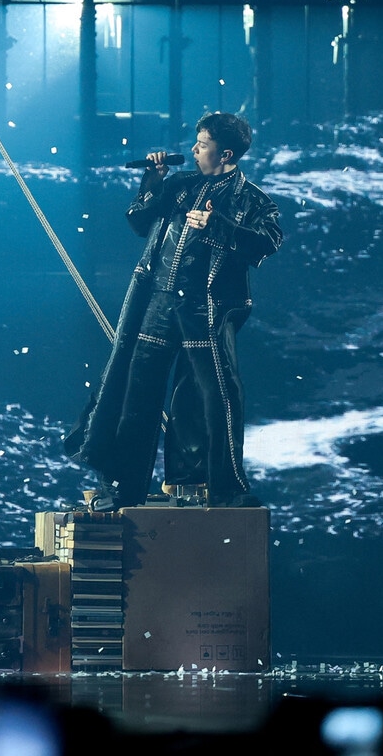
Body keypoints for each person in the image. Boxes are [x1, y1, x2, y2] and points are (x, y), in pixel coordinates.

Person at [65, 112, 282, 509]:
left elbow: (267, 242)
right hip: (158, 303)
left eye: (203, 144)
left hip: (207, 308)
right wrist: (153, 180)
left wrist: (219, 226)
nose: (194, 149)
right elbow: (138, 222)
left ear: (226, 153)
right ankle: (123, 487)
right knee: (137, 395)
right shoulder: (180, 186)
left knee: (215, 397)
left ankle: (224, 488)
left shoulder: (251, 200)